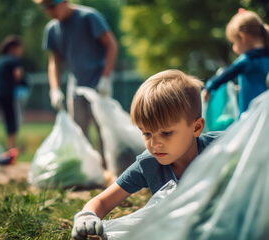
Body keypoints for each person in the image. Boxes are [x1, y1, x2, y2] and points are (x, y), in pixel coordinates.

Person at [71, 69, 221, 240]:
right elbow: (103, 201)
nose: (155, 143)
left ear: (196, 128)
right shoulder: (149, 165)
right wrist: (87, 216)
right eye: (147, 133)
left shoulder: (224, 147)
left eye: (166, 133)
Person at [33, 0, 118, 168]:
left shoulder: (89, 17)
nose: (50, 12)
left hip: (98, 83)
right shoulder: (52, 29)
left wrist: (106, 77)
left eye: (52, 6)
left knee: (104, 129)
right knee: (79, 131)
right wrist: (55, 88)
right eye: (45, 9)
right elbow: (54, 62)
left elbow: (112, 45)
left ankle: (110, 170)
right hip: (76, 86)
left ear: (64, 2)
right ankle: (90, 169)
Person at [203, 9, 269, 115]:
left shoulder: (247, 60)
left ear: (243, 37)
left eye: (234, 42)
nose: (234, 48)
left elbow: (226, 75)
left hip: (251, 115)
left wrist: (209, 87)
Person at [0, 35, 25, 149]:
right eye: (20, 48)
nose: (21, 51)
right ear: (13, 48)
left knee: (8, 121)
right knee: (13, 121)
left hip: (0, 94)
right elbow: (18, 75)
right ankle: (12, 148)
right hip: (10, 94)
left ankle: (10, 146)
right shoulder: (14, 60)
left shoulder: (0, 60)